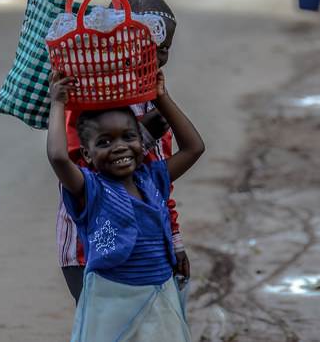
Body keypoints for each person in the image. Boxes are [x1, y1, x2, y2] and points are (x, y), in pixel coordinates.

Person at [47, 65, 205, 341]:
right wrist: (58, 103)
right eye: (105, 142)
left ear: (142, 140)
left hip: (159, 297)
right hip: (111, 302)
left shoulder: (152, 179)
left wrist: (160, 97)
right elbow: (59, 157)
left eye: (129, 137)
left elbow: (194, 148)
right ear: (87, 154)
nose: (119, 146)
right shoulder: (90, 190)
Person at [57, 0, 186, 304]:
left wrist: (174, 240)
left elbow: (159, 182)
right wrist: (142, 134)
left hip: (147, 248)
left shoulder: (154, 98)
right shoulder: (88, 94)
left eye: (165, 48)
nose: (157, 56)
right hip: (91, 250)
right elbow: (82, 173)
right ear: (119, 39)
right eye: (149, 44)